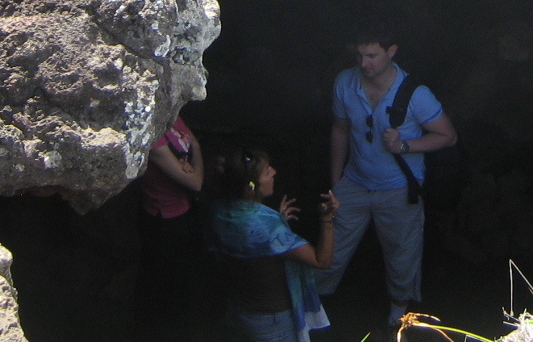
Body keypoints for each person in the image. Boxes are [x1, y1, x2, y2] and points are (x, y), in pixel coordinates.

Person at [319, 26, 458, 329]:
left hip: (399, 189)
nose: (363, 63)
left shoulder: (415, 94)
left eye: (371, 55)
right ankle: (313, 309)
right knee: (331, 248)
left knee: (402, 255)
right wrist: (336, 184)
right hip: (354, 183)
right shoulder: (345, 81)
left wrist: (405, 145)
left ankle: (399, 318)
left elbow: (447, 136)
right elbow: (340, 129)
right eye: (359, 55)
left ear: (391, 51)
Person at [204, 147, 339, 342]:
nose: (274, 172)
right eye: (267, 172)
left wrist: (277, 220)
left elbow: (250, 242)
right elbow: (322, 260)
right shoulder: (267, 227)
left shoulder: (218, 211)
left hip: (240, 311)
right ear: (251, 188)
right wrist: (327, 218)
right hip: (273, 321)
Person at [134, 115, 205, 340]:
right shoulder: (153, 138)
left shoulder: (173, 118)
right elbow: (195, 183)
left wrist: (194, 151)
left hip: (184, 211)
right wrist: (191, 159)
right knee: (167, 284)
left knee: (184, 279)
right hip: (163, 220)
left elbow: (193, 145)